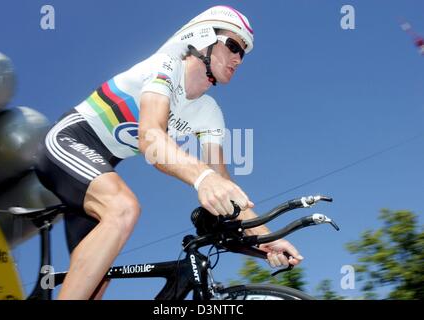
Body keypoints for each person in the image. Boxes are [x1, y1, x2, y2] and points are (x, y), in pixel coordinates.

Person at [35, 5, 304, 300]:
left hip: (99, 166)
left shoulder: (209, 112)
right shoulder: (165, 66)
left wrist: (267, 240)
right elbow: (152, 139)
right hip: (68, 141)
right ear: (203, 37)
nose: (239, 58)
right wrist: (202, 178)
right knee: (123, 208)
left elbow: (223, 185)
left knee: (95, 286)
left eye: (244, 53)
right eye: (234, 45)